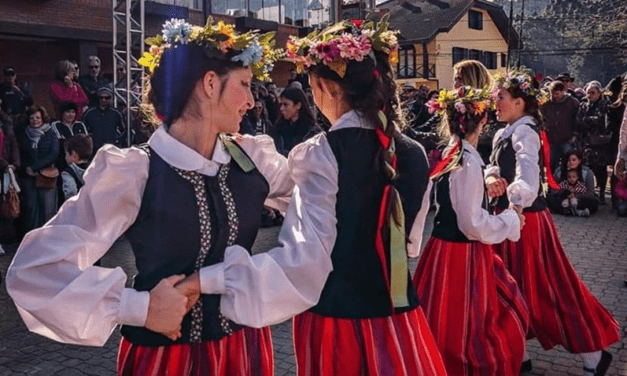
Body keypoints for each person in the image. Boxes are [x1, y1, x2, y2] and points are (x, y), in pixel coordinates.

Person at [7, 18, 337, 376]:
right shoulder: (135, 172)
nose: (251, 101)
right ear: (210, 84)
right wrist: (140, 307)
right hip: (167, 360)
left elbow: (322, 208)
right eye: (244, 85)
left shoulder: (252, 158)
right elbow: (34, 271)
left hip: (244, 353)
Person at [285, 16, 448, 375]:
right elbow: (409, 244)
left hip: (335, 318)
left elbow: (307, 253)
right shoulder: (415, 152)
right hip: (397, 315)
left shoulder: (320, 153)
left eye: (312, 88)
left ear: (326, 87)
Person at [486, 71, 620, 376]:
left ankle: (593, 356)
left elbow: (530, 183)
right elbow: (494, 165)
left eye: (501, 97)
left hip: (526, 222)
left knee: (548, 292)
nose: (496, 102)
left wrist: (509, 198)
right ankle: (519, 357)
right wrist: (491, 177)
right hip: (511, 222)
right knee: (510, 291)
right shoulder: (505, 131)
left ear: (519, 102)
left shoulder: (525, 132)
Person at [414, 87, 528, 376]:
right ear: (483, 119)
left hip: (443, 251)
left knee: (443, 323)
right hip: (460, 256)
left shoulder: (452, 153)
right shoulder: (465, 160)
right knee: (469, 330)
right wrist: (510, 220)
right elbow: (471, 223)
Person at [18, 106, 59, 233]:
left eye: (37, 117)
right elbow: (21, 154)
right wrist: (27, 169)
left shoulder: (51, 133)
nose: (35, 120)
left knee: (48, 208)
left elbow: (54, 153)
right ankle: (33, 238)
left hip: (46, 175)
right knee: (31, 209)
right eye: (32, 118)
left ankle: (48, 237)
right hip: (29, 176)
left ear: (43, 118)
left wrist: (36, 167)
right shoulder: (24, 134)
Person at [579, 81, 611, 205]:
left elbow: (601, 120)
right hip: (586, 143)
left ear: (599, 93)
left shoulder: (604, 105)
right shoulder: (583, 105)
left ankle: (602, 192)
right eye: (588, 93)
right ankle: (589, 193)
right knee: (587, 168)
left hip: (600, 143)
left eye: (593, 93)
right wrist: (587, 121)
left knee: (601, 169)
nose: (590, 95)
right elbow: (578, 120)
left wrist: (586, 119)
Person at [541, 80, 580, 172]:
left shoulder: (572, 102)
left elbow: (577, 120)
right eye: (553, 94)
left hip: (567, 139)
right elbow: (542, 118)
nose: (555, 96)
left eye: (557, 94)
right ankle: (553, 185)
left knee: (569, 164)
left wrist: (575, 135)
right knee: (551, 164)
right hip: (552, 139)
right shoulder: (547, 104)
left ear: (563, 91)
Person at [548, 149, 598, 216]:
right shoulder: (559, 171)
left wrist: (575, 195)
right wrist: (564, 193)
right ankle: (571, 211)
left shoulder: (587, 173)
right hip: (563, 198)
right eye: (569, 160)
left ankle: (571, 210)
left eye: (574, 160)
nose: (571, 162)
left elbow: (590, 193)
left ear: (579, 161)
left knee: (593, 202)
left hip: (579, 198)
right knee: (549, 199)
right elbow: (552, 190)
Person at [273, 86, 319, 155]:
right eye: (280, 105)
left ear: (298, 105)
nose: (281, 108)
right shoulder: (278, 127)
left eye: (286, 105)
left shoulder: (312, 130)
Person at [82, 86, 125, 152]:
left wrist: (117, 141)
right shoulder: (89, 112)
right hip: (94, 148)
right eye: (101, 97)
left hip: (111, 147)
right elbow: (83, 129)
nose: (103, 100)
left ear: (110, 98)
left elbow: (123, 130)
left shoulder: (116, 113)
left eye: (106, 98)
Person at [60, 134, 92, 202]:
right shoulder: (95, 168)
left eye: (66, 154)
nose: (65, 157)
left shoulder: (68, 172)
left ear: (74, 155)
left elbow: (71, 193)